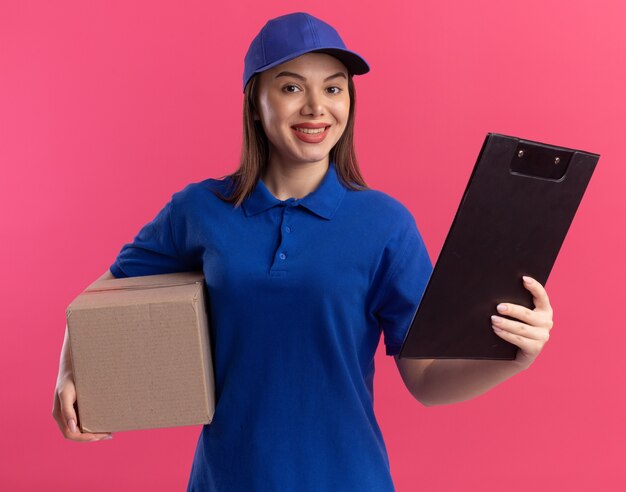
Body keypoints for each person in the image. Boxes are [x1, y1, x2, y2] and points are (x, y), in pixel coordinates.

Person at [52, 12, 554, 491]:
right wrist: (69, 371)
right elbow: (104, 296)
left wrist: (512, 360)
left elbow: (425, 381)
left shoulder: (385, 224)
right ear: (255, 101)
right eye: (292, 87)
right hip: (227, 481)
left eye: (333, 88)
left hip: (349, 480)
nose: (316, 107)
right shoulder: (200, 210)